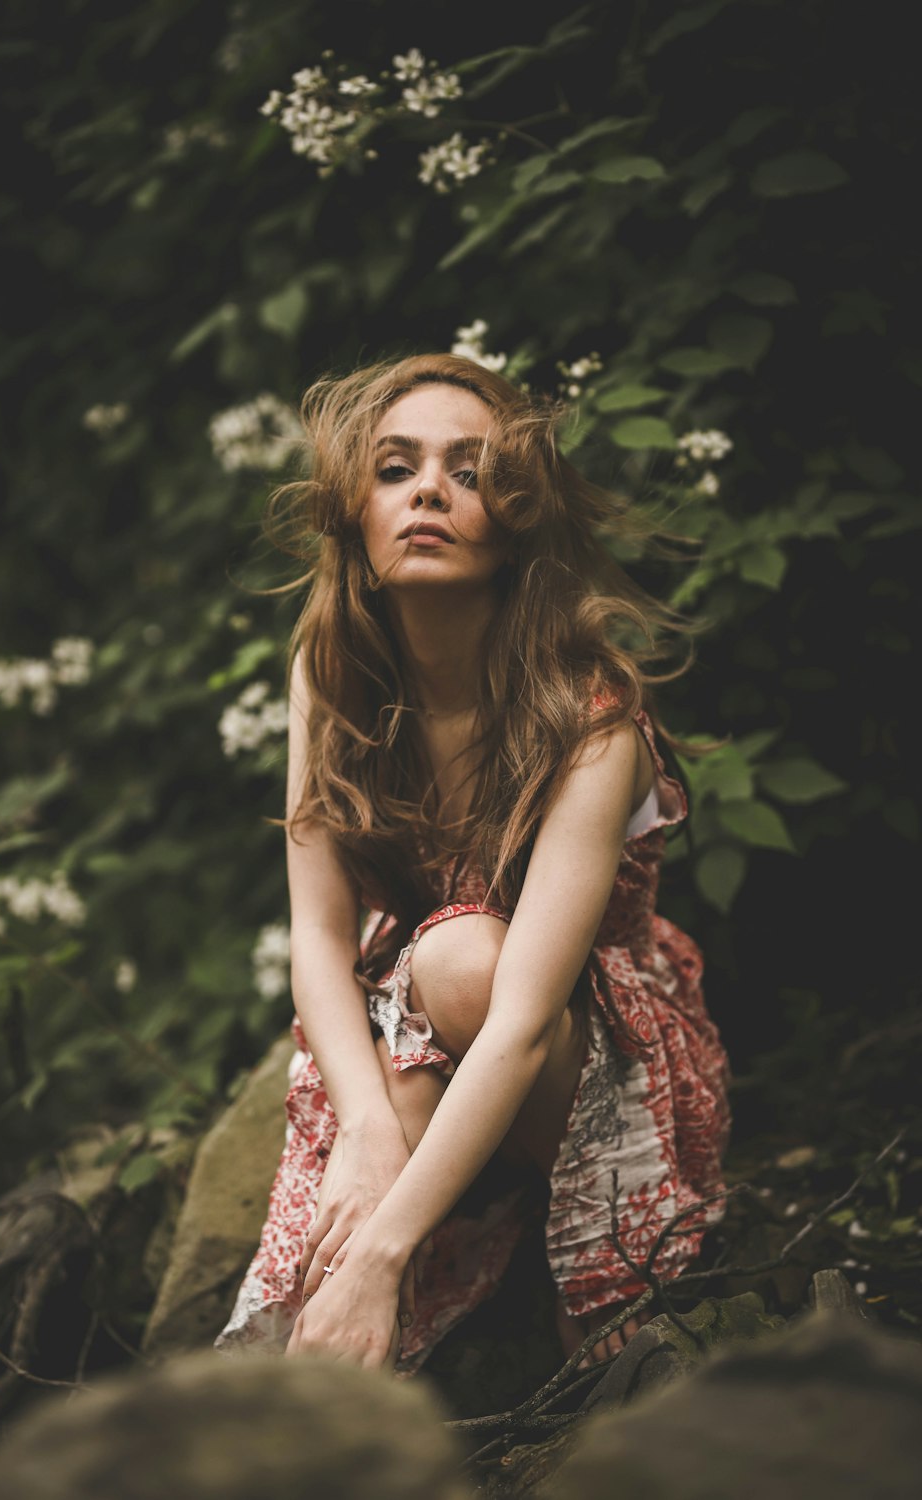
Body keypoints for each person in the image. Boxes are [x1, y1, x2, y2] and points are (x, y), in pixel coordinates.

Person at [216, 353, 731, 1373]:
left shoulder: (590, 715)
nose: (430, 494)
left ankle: (608, 1255)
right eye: (396, 469)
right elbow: (319, 937)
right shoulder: (329, 679)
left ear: (513, 524)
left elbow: (525, 1011)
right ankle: (302, 1405)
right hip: (418, 1028)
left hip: (587, 1053)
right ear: (353, 521)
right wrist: (364, 1127)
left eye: (468, 470)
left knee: (459, 962)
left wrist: (384, 1248)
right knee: (390, 1101)